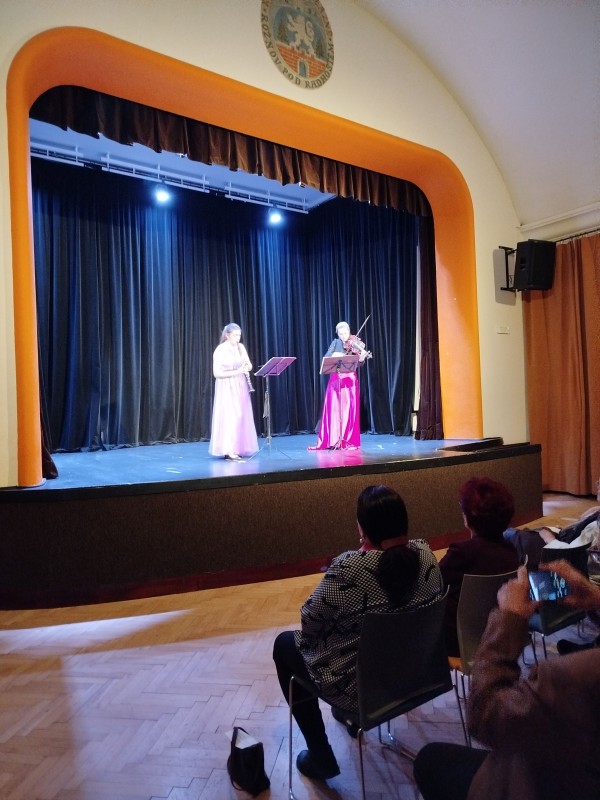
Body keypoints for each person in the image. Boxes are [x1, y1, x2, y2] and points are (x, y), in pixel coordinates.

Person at [273, 485, 444, 781]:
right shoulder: (427, 555)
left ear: (363, 529)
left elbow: (309, 621)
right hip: (419, 677)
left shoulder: (350, 569)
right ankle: (347, 718)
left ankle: (321, 756)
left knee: (284, 645)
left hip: (362, 692)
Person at [413, 560, 600, 800]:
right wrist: (596, 598)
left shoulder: (578, 675)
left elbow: (486, 712)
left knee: (430, 760)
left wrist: (509, 619)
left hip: (530, 784)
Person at [439, 477, 520, 656]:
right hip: (498, 635)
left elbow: (433, 583)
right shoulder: (512, 551)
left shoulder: (462, 553)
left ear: (469, 517)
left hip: (459, 641)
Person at [308, 321, 369, 450]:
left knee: (348, 411)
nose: (343, 336)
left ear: (349, 331)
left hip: (350, 381)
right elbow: (327, 357)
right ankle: (333, 439)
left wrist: (361, 358)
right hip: (335, 381)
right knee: (334, 410)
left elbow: (359, 364)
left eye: (345, 333)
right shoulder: (335, 343)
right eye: (341, 334)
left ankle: (348, 440)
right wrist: (336, 355)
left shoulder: (355, 343)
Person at [208, 323, 258, 461]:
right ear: (227, 335)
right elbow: (217, 373)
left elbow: (249, 365)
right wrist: (237, 371)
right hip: (226, 386)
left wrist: (246, 367)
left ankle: (240, 447)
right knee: (229, 417)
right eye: (235, 335)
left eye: (239, 335)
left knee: (241, 416)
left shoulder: (241, 347)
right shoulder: (221, 350)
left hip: (241, 385)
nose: (238, 338)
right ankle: (229, 450)